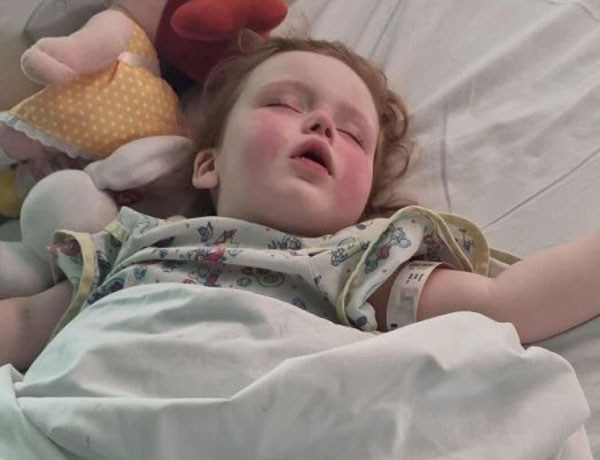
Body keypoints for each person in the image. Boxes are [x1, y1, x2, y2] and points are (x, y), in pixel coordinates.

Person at [0, 32, 598, 373]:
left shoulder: (359, 263)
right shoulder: (136, 242)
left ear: (362, 204)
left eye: (354, 135)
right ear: (207, 165)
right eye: (284, 104)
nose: (322, 124)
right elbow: (26, 323)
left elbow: (506, 302)